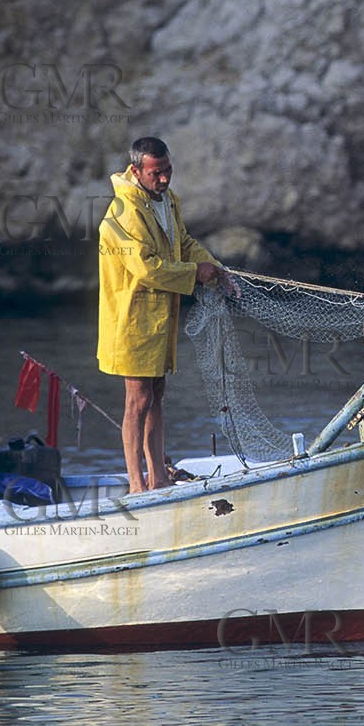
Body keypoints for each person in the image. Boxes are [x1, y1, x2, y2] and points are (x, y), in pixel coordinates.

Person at [98, 137, 234, 493]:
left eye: (168, 171)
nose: (163, 179)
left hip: (158, 320)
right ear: (136, 171)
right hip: (130, 320)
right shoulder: (124, 213)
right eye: (156, 173)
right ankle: (136, 483)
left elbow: (184, 243)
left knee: (157, 395)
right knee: (137, 399)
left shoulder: (167, 201)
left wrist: (214, 266)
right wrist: (193, 275)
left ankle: (157, 475)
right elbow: (145, 269)